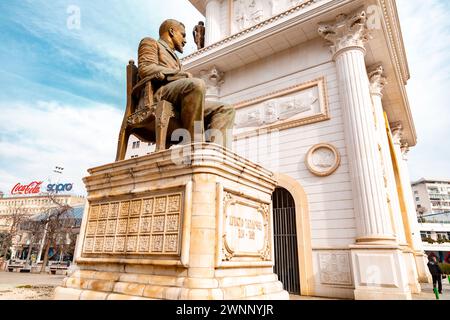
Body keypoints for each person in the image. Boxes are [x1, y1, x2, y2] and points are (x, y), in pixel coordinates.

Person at [135, 19, 235, 148]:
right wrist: (178, 74)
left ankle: (218, 155)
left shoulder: (176, 58)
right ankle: (195, 145)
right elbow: (145, 68)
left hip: (179, 99)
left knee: (226, 109)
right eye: (183, 35)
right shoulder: (150, 42)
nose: (185, 40)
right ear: (171, 31)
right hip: (158, 94)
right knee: (196, 85)